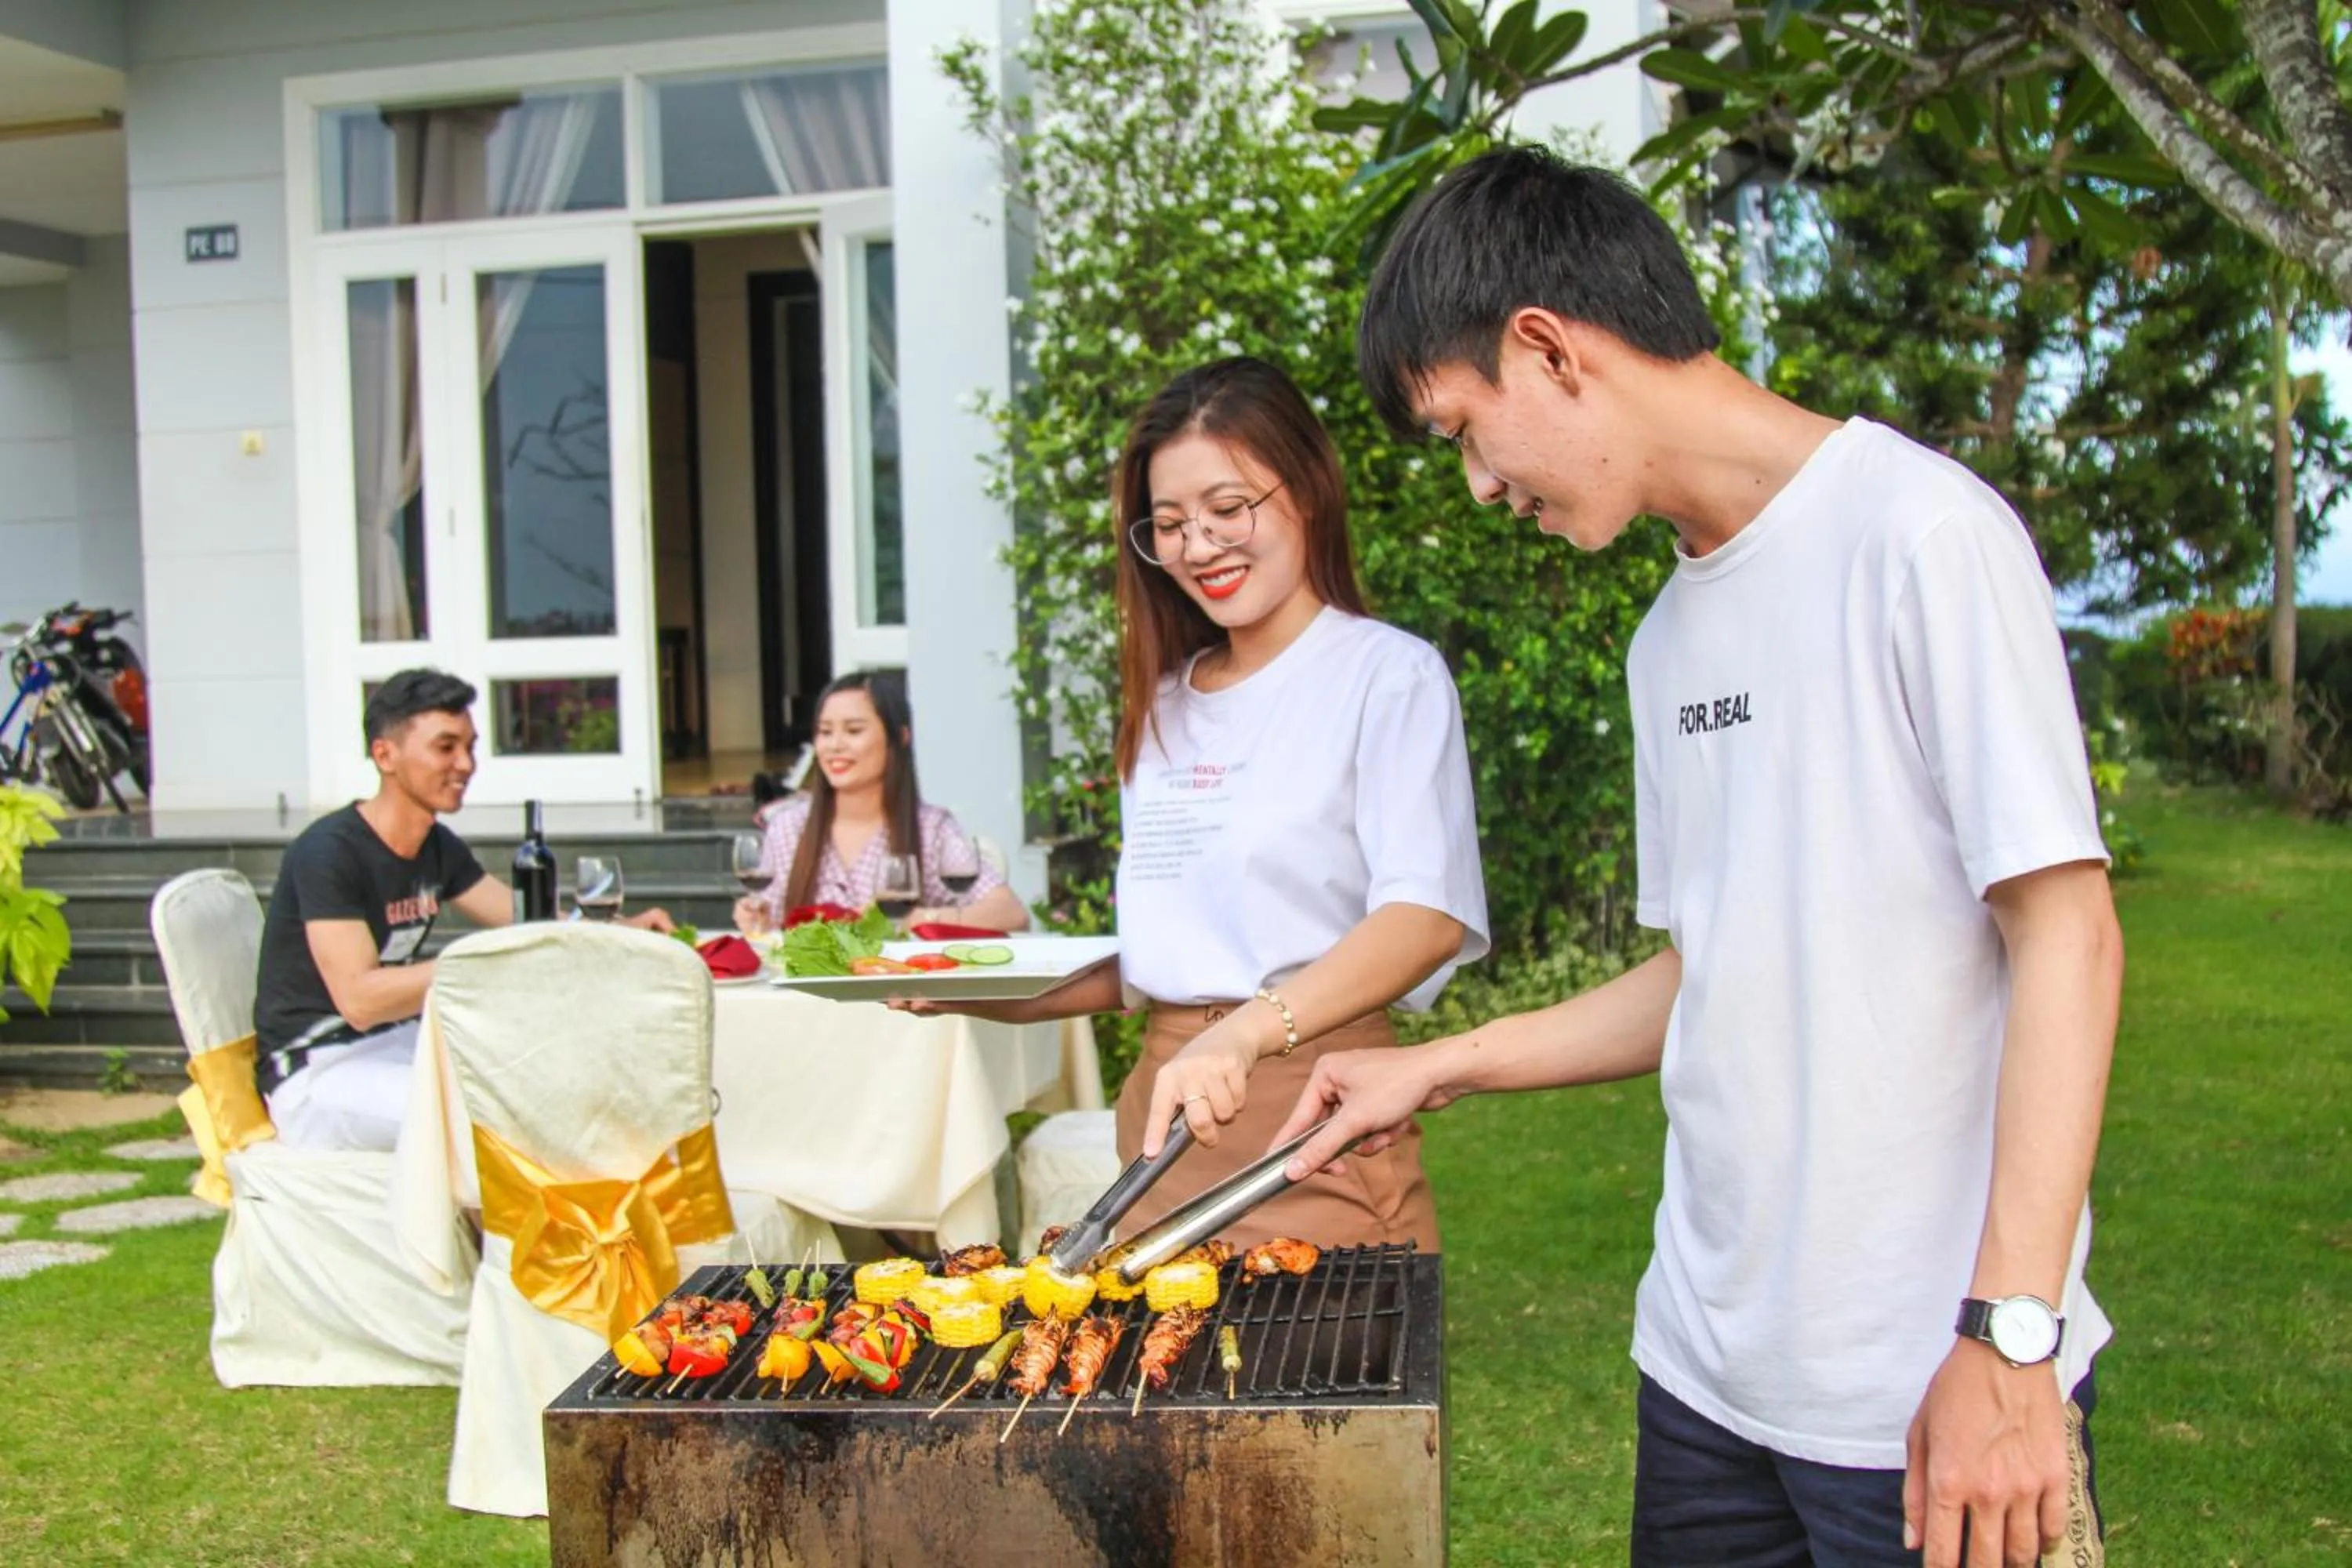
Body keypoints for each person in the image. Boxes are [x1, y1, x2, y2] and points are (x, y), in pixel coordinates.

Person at [1272, 147, 2123, 1568]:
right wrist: (1438, 1065)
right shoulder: (1666, 637)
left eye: (1465, 432)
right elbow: (1705, 972)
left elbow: (2068, 937)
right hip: (1708, 1375)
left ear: (1546, 347)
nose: (1479, 486)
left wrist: (2011, 1339)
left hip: (1924, 1389)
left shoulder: (1919, 538)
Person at [902, 356, 1489, 1250]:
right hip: (1162, 1128)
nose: (1198, 546)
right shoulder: (1165, 701)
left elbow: (1425, 916)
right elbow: (1159, 963)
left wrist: (1250, 1034)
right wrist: (967, 987)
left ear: (1308, 489)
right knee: (1158, 1385)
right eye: (1169, 524)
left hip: (1319, 1116)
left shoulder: (1386, 675)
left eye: (1228, 509)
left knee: (1327, 1383)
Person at [252, 669, 673, 1152]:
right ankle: (500, 1228)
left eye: (470, 747)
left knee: (560, 1079)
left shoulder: (434, 845)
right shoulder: (329, 852)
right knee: (499, 1117)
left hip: (397, 1045)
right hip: (318, 1071)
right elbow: (361, 1001)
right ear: (384, 754)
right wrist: (479, 961)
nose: (466, 764)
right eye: (445, 747)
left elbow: (527, 923)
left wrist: (619, 930)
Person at [733, 670, 1029, 935]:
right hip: (808, 994)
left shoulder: (931, 829)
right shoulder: (789, 827)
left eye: (853, 731)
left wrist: (923, 918)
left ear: (899, 738)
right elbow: (769, 925)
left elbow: (1010, 913)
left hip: (898, 992)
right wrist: (754, 917)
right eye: (825, 732)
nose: (835, 745)